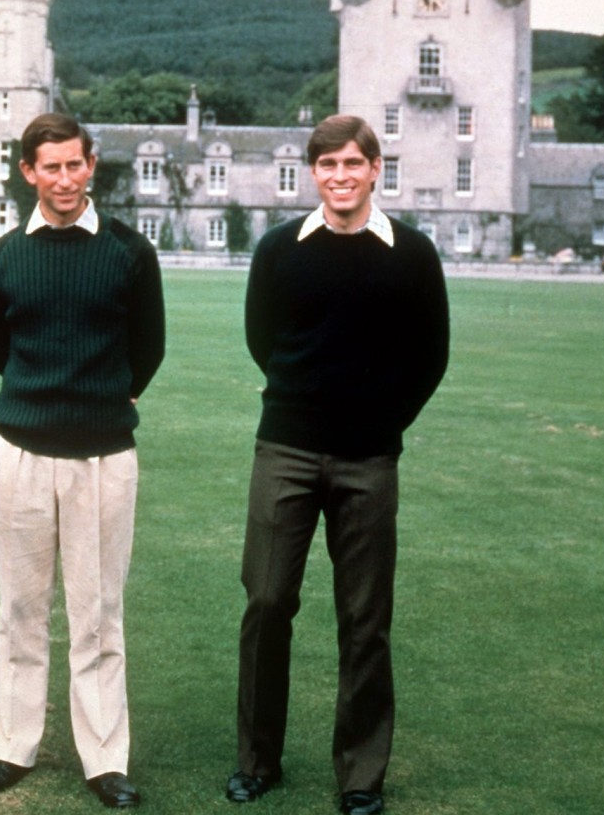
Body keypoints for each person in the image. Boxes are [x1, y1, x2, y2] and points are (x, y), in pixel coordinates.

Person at [225, 115, 449, 815]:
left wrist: (383, 421)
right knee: (265, 602)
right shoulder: (279, 250)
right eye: (327, 165)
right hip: (285, 448)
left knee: (364, 617)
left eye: (353, 163)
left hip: (370, 459)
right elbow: (264, 340)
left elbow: (430, 355)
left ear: (376, 169)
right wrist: (308, 404)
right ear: (314, 173)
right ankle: (258, 761)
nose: (341, 176)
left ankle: (360, 775)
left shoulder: (412, 254)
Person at [0, 112, 165, 809]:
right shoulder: (0, 257)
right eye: (48, 167)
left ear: (91, 166)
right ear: (28, 172)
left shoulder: (129, 253)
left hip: (105, 456)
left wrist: (100, 400)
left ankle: (104, 758)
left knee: (98, 612)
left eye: (74, 165)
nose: (63, 179)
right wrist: (42, 399)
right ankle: (12, 747)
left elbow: (148, 349)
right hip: (20, 450)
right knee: (21, 608)